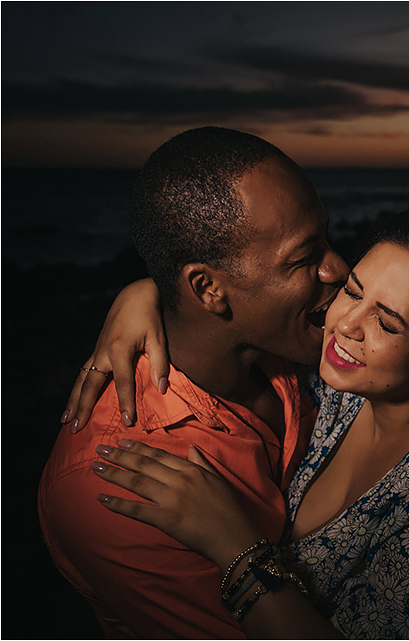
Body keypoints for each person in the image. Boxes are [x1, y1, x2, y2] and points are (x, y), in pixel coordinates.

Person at [64, 205, 409, 638]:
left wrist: (230, 541)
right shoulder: (343, 391)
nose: (344, 323)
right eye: (354, 291)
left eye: (387, 323)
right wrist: (142, 294)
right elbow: (234, 304)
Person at [38, 126, 350, 638]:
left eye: (327, 239)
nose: (338, 269)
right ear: (208, 288)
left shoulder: (297, 346)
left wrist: (142, 290)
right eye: (303, 258)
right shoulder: (114, 487)